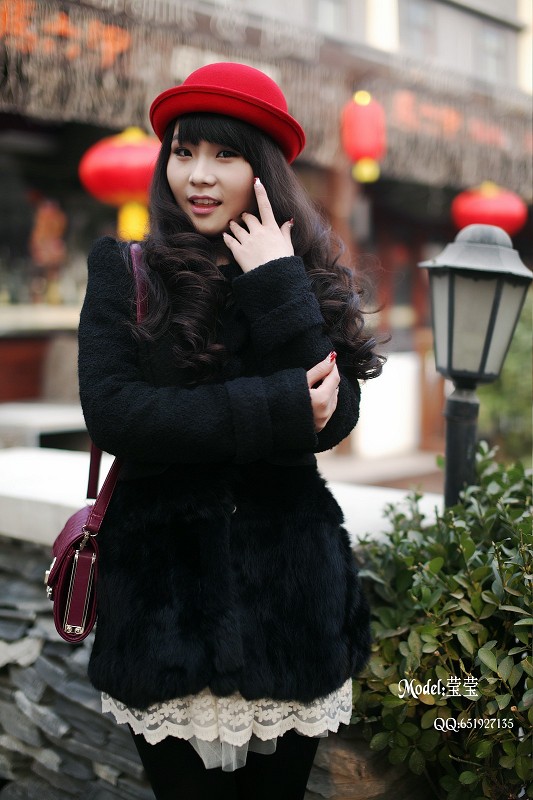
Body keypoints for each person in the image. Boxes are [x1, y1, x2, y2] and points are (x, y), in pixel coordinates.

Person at [78, 62, 383, 800]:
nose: (199, 176)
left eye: (225, 154)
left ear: (264, 170)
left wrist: (276, 281)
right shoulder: (127, 270)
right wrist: (274, 407)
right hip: (162, 602)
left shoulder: (302, 273)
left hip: (291, 599)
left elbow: (333, 418)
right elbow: (115, 413)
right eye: (184, 152)